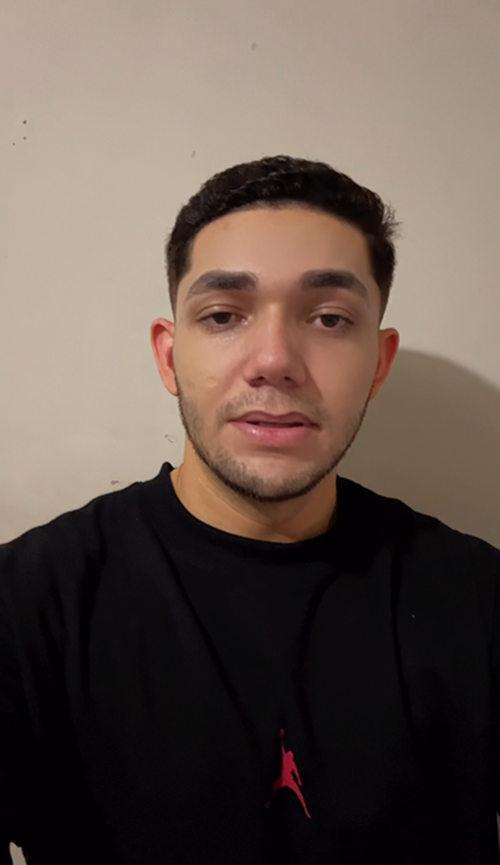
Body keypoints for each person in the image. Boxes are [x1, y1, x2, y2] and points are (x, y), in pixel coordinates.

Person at [1, 155, 499, 865]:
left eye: (329, 317)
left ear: (379, 364)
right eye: (223, 315)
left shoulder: (477, 600)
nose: (274, 360)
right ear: (169, 357)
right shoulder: (28, 605)